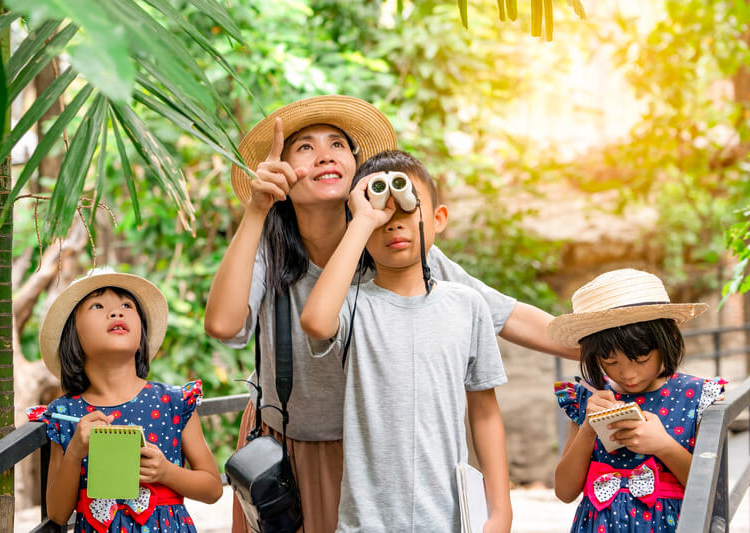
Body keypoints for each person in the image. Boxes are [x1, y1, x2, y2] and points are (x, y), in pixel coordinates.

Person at [204, 95, 575, 532]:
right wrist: (257, 208)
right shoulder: (271, 245)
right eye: (304, 147)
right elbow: (224, 326)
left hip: (375, 453)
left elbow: (508, 316)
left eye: (338, 144)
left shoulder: (395, 246)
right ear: (283, 172)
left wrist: (608, 339)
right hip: (287, 445)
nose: (324, 153)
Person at [300, 150, 512, 532]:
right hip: (367, 522)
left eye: (406, 211)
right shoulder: (353, 307)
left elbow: (484, 412)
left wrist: (501, 512)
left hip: (448, 519)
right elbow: (315, 322)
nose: (393, 225)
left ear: (438, 219)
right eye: (382, 215)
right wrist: (363, 218)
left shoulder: (467, 306)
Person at [39, 268, 223, 532]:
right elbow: (57, 513)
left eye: (127, 305)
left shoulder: (173, 402)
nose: (117, 312)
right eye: (98, 305)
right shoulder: (64, 413)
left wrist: (166, 472)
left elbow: (213, 488)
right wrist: (75, 452)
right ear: (74, 338)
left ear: (141, 340)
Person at [549, 269, 725, 532]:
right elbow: (564, 491)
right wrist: (588, 427)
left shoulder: (695, 396)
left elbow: (712, 488)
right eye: (610, 361)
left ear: (670, 339)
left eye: (641, 358)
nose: (628, 373)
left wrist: (664, 445)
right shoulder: (589, 398)